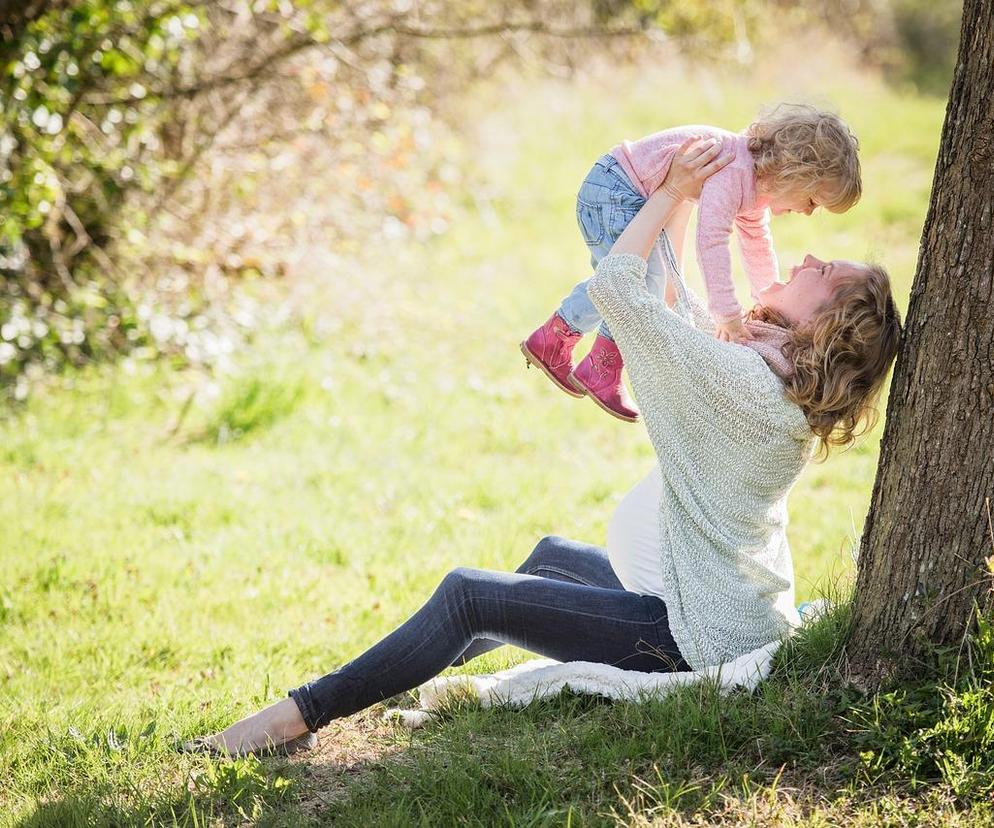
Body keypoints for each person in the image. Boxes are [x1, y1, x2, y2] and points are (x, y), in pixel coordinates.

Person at [181, 137, 901, 758]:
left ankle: (293, 718)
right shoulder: (770, 380)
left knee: (470, 594)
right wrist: (684, 199)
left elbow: (621, 288)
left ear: (828, 327)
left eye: (827, 273)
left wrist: (674, 192)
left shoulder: (743, 384)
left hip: (689, 635)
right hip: (706, 602)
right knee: (549, 558)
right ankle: (383, 679)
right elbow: (678, 307)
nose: (808, 256)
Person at [521, 103, 862, 422]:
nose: (806, 211)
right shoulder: (736, 171)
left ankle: (561, 343)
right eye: (813, 200)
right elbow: (711, 241)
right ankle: (595, 363)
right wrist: (727, 313)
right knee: (633, 280)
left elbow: (757, 244)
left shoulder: (754, 186)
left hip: (624, 191)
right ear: (793, 173)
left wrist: (766, 297)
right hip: (615, 190)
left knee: (635, 280)